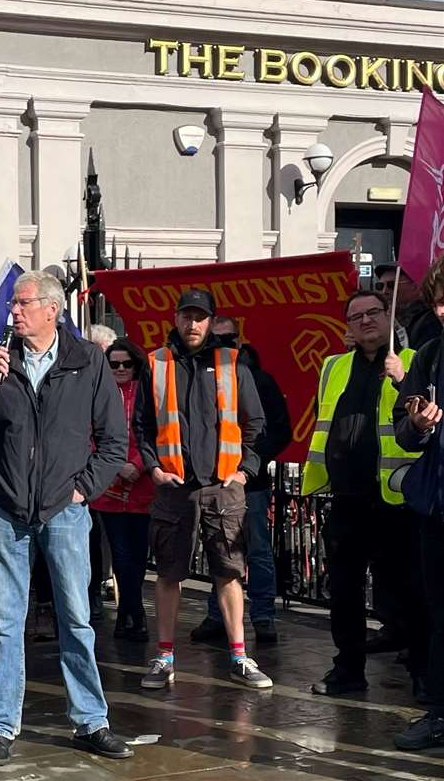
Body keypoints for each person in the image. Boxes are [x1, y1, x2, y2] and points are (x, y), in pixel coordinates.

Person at [0, 271, 131, 768]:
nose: (14, 311)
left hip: (65, 512)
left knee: (77, 617)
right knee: (5, 622)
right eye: (13, 304)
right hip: (10, 511)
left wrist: (81, 489)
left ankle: (91, 720)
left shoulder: (86, 362)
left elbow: (114, 440)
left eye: (22, 303)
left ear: (52, 309)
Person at [137, 289, 272, 693]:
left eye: (199, 317)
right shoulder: (156, 364)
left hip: (222, 486)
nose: (191, 324)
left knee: (229, 573)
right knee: (168, 574)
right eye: (185, 316)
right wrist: (153, 468)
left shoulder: (232, 364)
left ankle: (239, 656)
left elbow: (256, 423)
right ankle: (164, 657)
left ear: (211, 321)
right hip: (174, 487)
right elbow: (141, 424)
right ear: (175, 318)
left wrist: (246, 471)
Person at [298, 290, 422, 698]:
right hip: (347, 497)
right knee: (345, 592)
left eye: (373, 313)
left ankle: (422, 675)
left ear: (390, 317)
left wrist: (402, 379)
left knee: (408, 593)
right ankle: (348, 669)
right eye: (356, 317)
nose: (365, 321)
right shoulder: (333, 366)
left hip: (396, 500)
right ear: (347, 327)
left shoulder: (413, 361)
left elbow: (424, 423)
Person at [190, 315, 290, 647]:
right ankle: (218, 616)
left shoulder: (256, 378)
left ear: (238, 340)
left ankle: (263, 616)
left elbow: (275, 429)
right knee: (219, 552)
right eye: (214, 340)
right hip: (215, 481)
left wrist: (250, 466)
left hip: (251, 482)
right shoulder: (201, 376)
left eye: (227, 339)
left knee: (258, 550)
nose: (221, 346)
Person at [392, 255, 444, 751]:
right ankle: (438, 714)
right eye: (437, 300)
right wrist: (419, 424)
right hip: (436, 506)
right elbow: (403, 429)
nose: (443, 309)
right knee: (438, 616)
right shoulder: (428, 356)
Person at [90, 338, 156, 643]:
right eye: (113, 363)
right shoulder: (98, 393)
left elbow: (156, 433)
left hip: (142, 483)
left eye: (125, 364)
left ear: (136, 365)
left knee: (138, 554)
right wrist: (117, 466)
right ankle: (131, 612)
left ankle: (132, 610)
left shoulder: (147, 394)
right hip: (110, 483)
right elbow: (91, 434)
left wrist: (140, 464)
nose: (119, 369)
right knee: (120, 552)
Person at [379, 262, 442, 350]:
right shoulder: (387, 321)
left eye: (391, 285)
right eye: (380, 286)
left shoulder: (430, 321)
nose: (384, 291)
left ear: (416, 286)